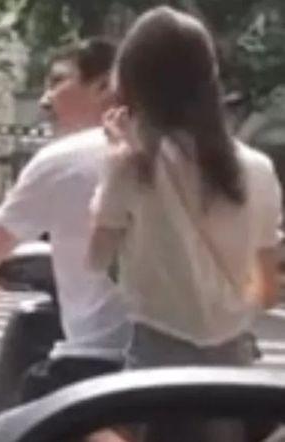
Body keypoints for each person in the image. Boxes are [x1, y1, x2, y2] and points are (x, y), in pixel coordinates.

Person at [0, 38, 132, 440]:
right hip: (214, 371)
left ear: (106, 85)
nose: (46, 99)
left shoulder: (67, 159)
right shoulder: (221, 160)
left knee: (4, 431)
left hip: (100, 368)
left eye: (58, 81)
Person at [89, 6, 282, 370]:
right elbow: (267, 291)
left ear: (132, 82)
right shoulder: (258, 169)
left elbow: (97, 259)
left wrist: (117, 156)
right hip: (234, 365)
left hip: (154, 361)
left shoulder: (132, 163)